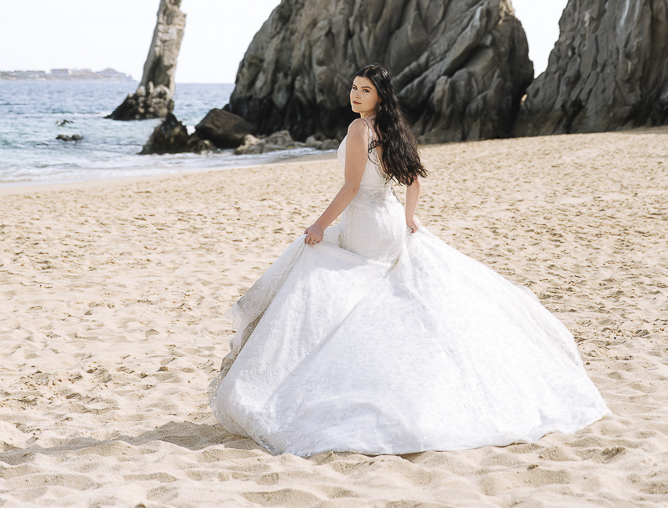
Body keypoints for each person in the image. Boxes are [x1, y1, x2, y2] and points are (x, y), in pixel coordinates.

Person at [209, 63, 609, 456]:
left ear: (379, 96)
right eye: (354, 87)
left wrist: (318, 225)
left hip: (366, 223)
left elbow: (350, 188)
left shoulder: (359, 129)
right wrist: (408, 217)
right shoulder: (393, 127)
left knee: (329, 276)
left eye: (365, 90)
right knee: (376, 289)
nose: (355, 95)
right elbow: (414, 180)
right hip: (389, 221)